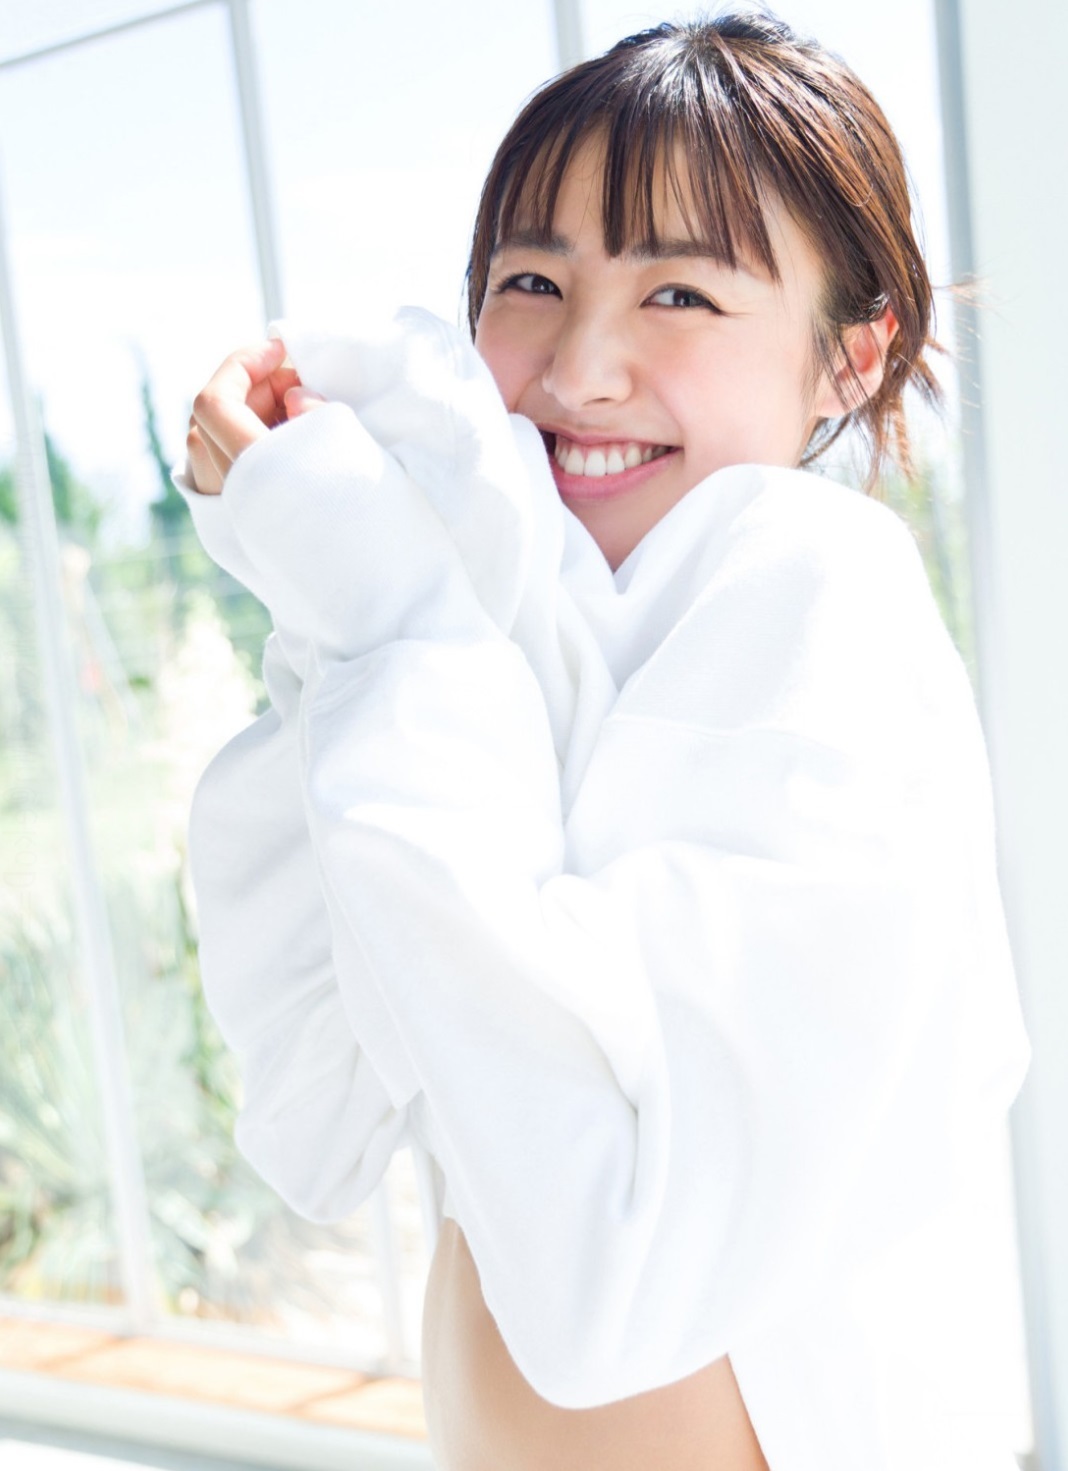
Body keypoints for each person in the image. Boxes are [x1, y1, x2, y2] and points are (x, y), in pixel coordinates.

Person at [178, 13, 1030, 1471]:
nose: (582, 369)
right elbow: (317, 1103)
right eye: (532, 282)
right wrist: (332, 612)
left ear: (850, 355)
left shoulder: (818, 608)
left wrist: (389, 623)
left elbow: (602, 1286)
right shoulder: (537, 634)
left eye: (681, 294)